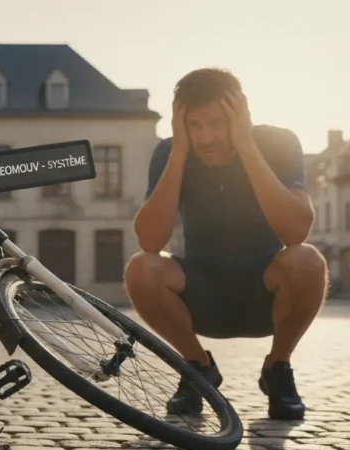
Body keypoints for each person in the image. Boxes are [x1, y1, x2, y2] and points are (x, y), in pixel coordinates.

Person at [125, 68, 327, 421]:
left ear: (240, 115)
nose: (207, 138)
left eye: (217, 123)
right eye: (196, 125)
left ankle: (278, 370)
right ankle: (197, 368)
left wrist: (247, 146)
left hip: (264, 294)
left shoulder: (278, 143)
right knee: (142, 267)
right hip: (201, 296)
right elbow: (150, 240)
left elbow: (296, 231)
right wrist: (178, 153)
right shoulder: (171, 151)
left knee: (306, 260)